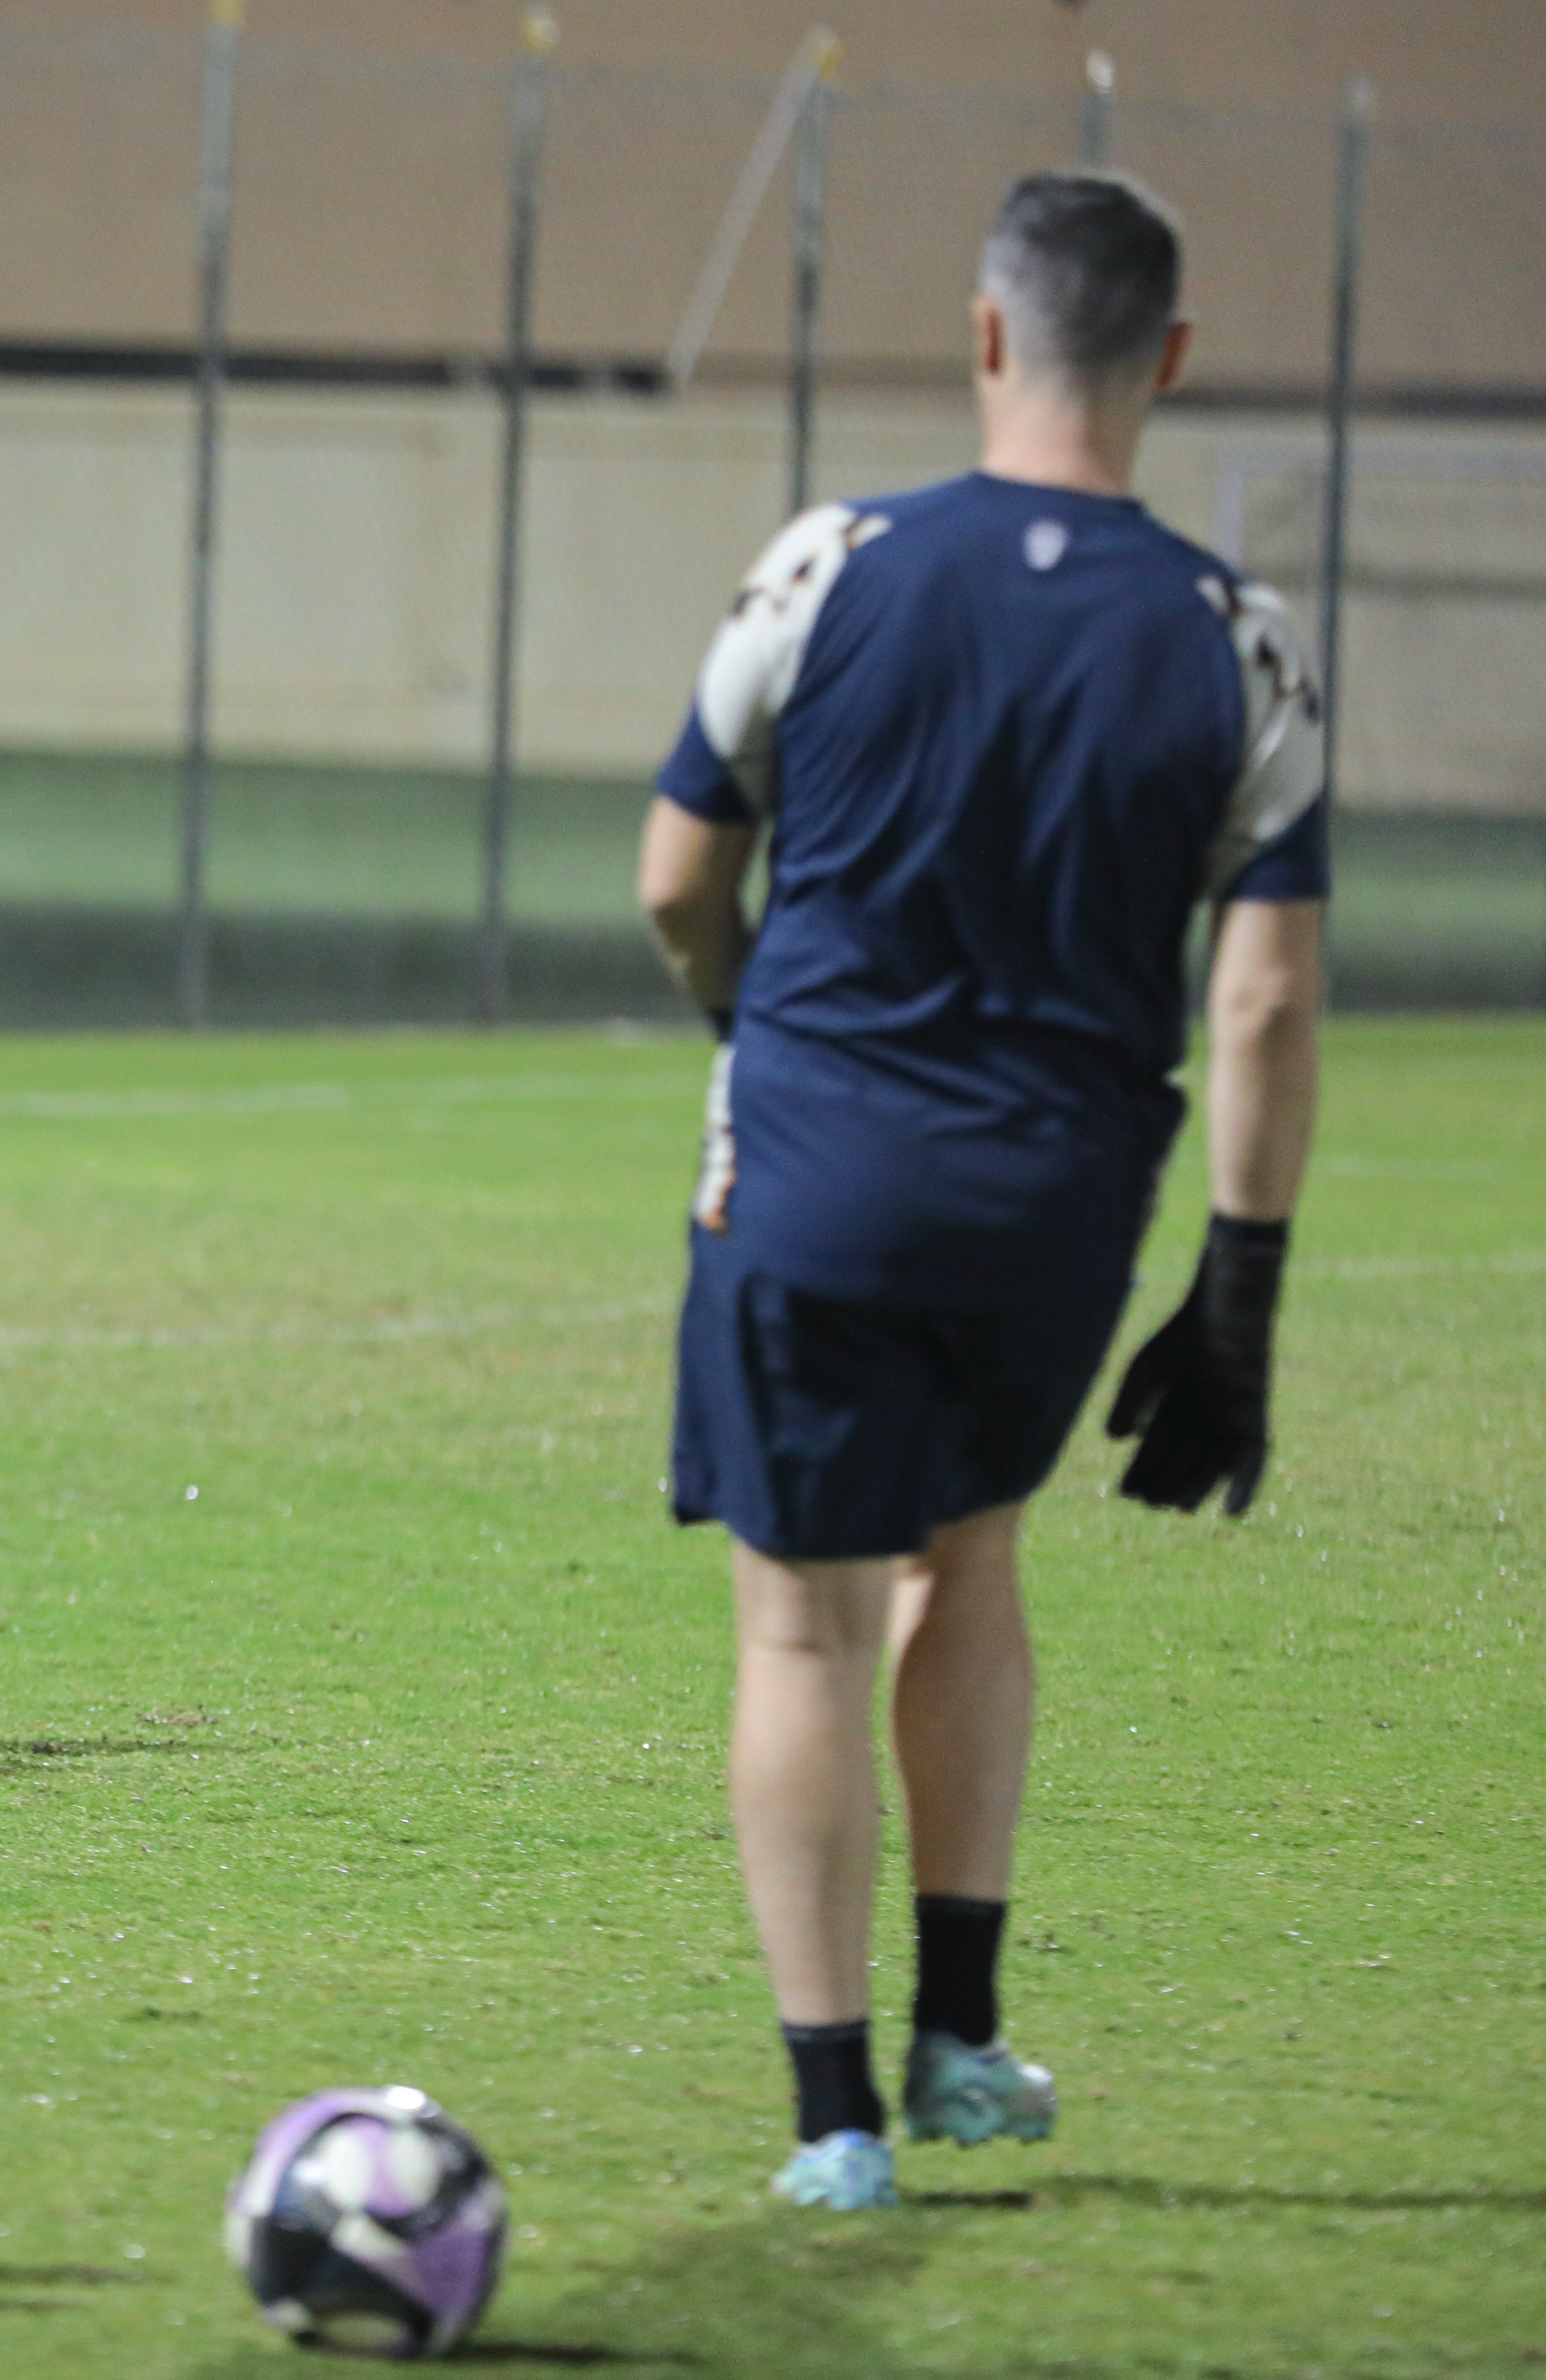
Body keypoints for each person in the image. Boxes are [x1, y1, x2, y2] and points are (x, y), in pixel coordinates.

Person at [637, 170, 1327, 2210]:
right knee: (976, 1557)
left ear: (988, 335)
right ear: (1169, 361)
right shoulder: (1239, 634)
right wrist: (1242, 1293)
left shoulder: (828, 563)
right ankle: (961, 2036)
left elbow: (679, 875)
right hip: (1057, 1195)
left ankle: (832, 2112)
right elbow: (1268, 995)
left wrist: (743, 1021)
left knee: (800, 1636)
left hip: (819, 1163)